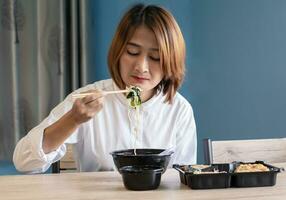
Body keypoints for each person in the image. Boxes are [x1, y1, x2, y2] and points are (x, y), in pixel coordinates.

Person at [13, 3, 197, 173]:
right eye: (132, 52)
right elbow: (23, 162)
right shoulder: (87, 99)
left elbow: (183, 178)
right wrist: (72, 119)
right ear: (118, 50)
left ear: (171, 62)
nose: (141, 67)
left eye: (155, 57)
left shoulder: (179, 110)